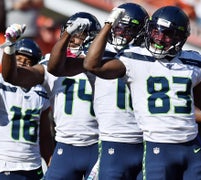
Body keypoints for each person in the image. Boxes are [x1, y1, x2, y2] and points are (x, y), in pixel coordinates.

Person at [83, 5, 201, 179]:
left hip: (192, 149)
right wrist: (108, 24)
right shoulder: (133, 58)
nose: (159, 38)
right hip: (157, 149)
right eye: (155, 32)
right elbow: (92, 65)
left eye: (166, 34)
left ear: (179, 38)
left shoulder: (194, 62)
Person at [47, 3, 147, 180]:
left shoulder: (148, 58)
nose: (120, 33)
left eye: (127, 29)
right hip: (111, 139)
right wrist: (68, 33)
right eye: (117, 28)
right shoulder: (98, 54)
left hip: (145, 138)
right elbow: (56, 68)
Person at [1, 12, 101, 179]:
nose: (73, 40)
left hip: (99, 144)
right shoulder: (49, 64)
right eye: (71, 33)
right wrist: (10, 47)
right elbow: (13, 77)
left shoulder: (103, 63)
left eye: (80, 35)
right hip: (66, 145)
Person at [0, 38, 53, 179]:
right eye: (18, 58)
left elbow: (44, 136)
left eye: (28, 61)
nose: (23, 62)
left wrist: (51, 163)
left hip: (34, 166)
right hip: (6, 165)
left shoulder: (41, 92)